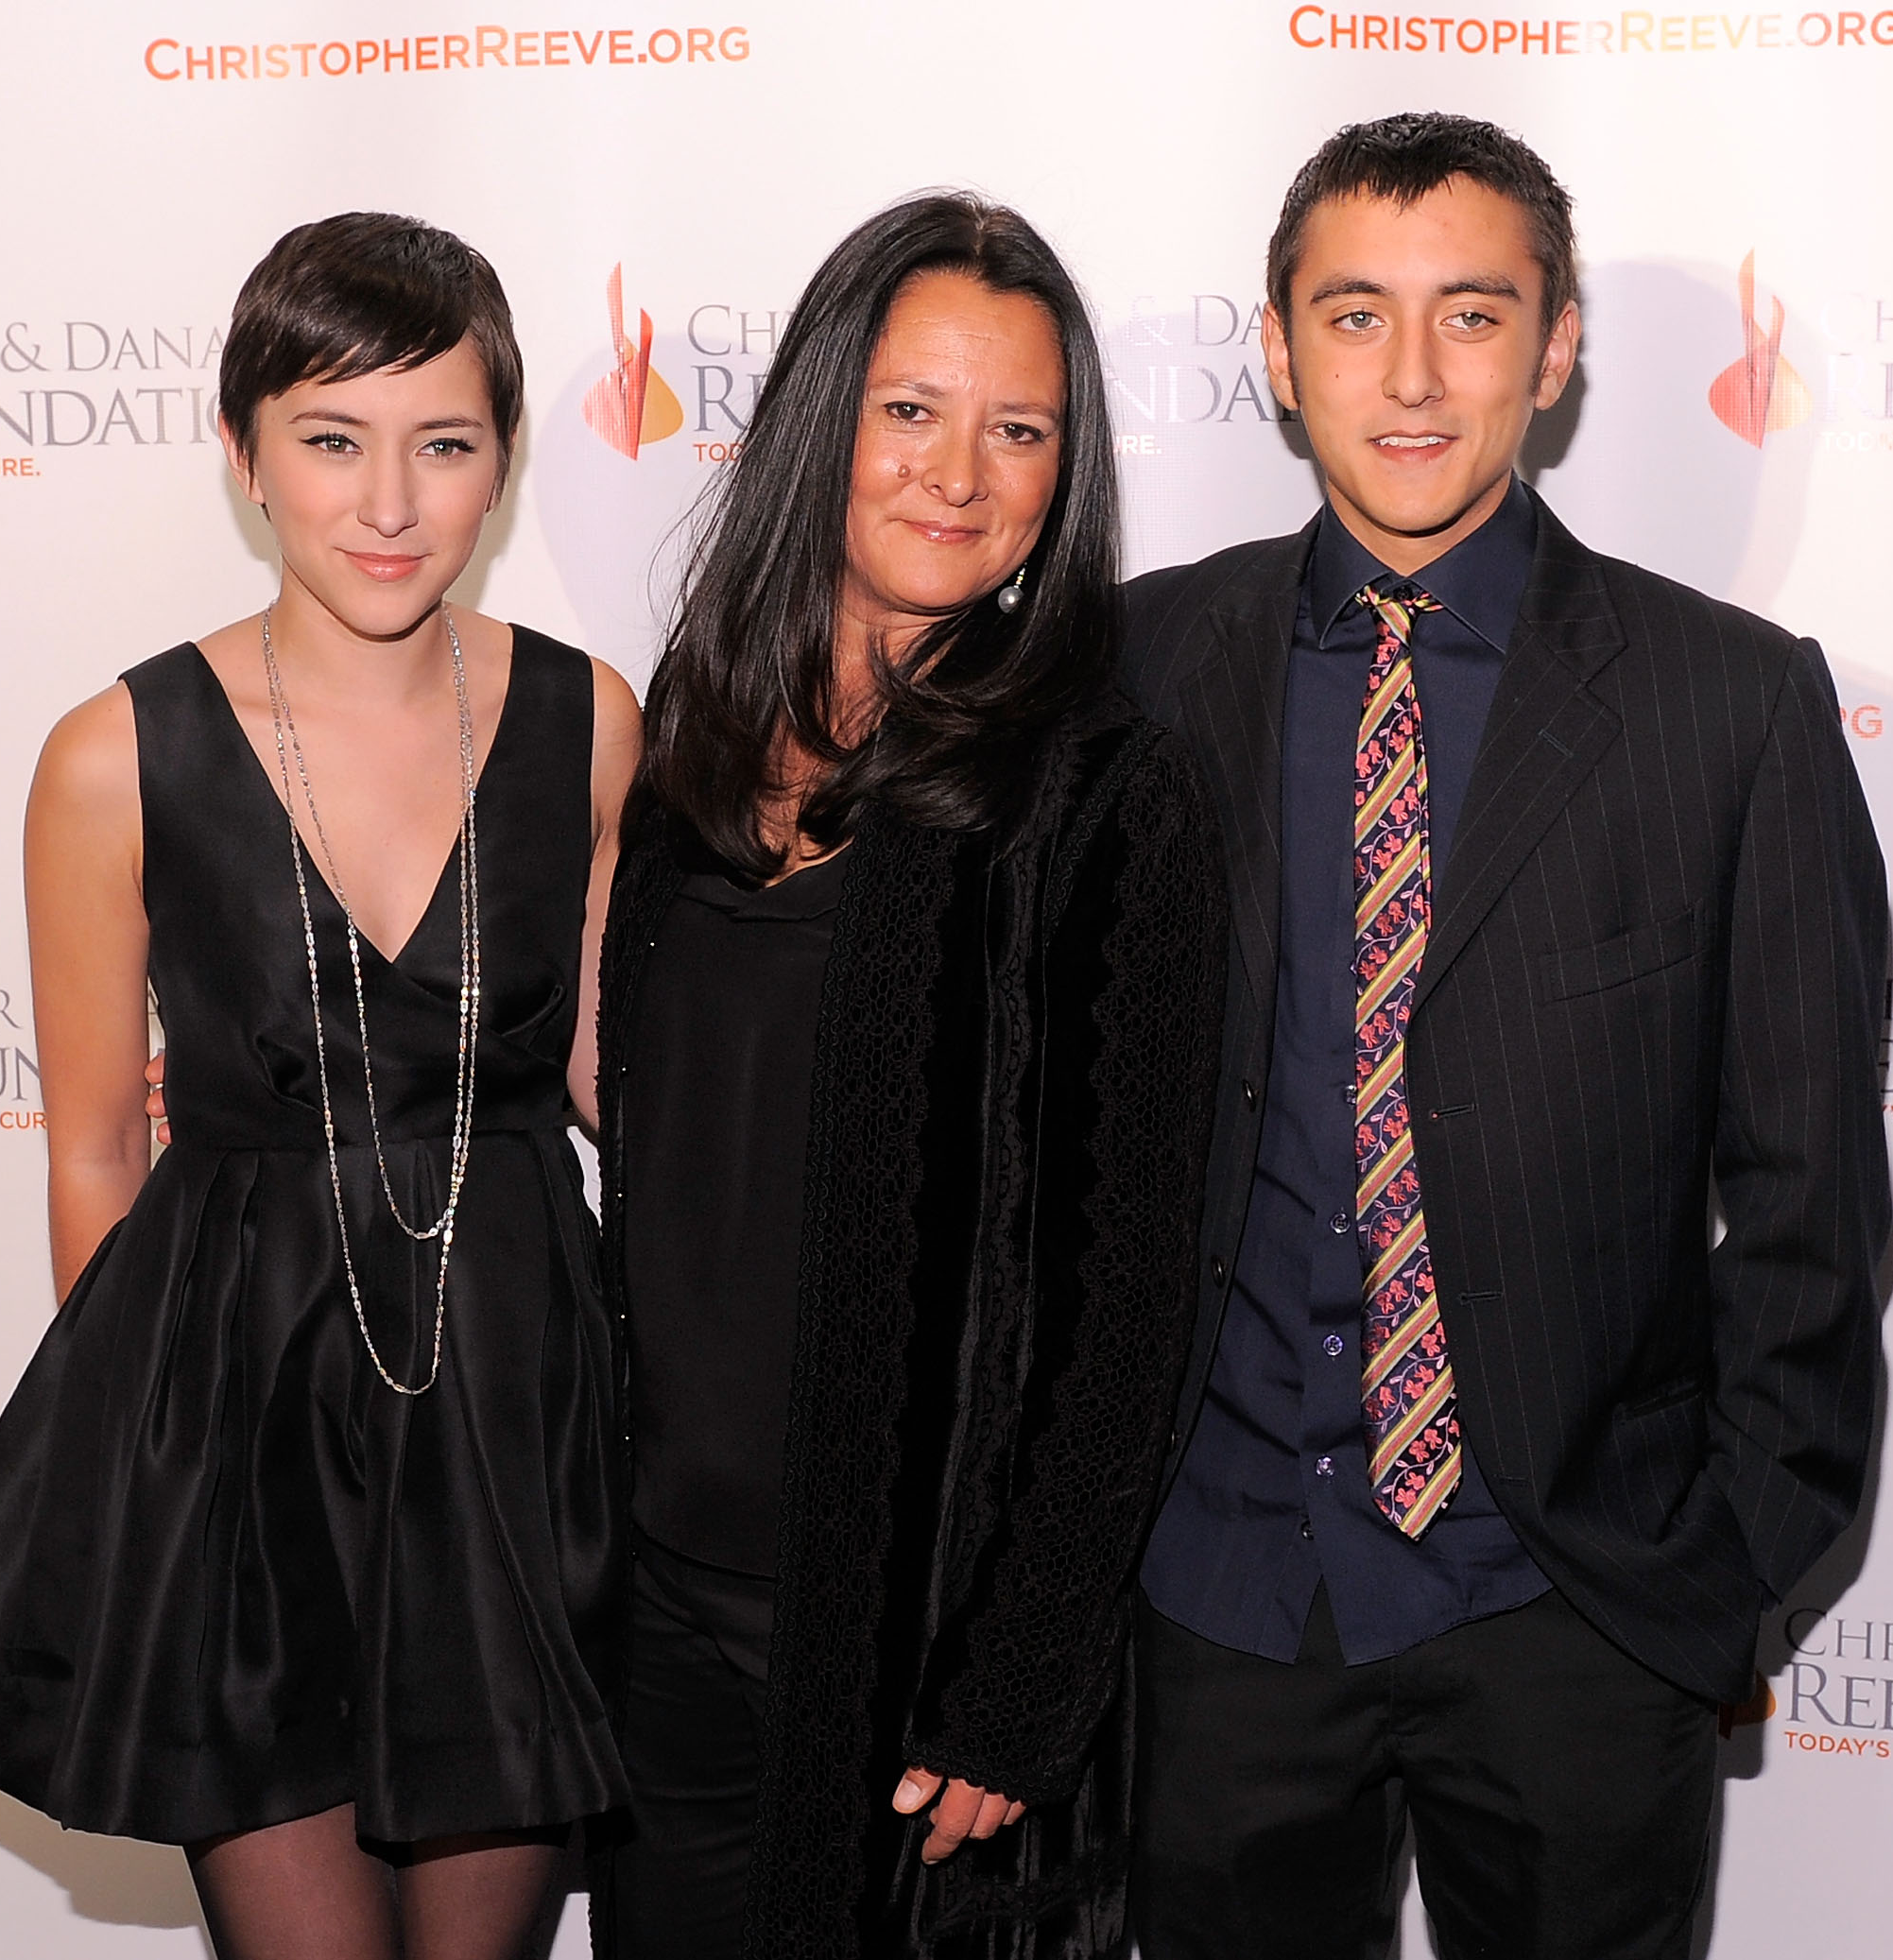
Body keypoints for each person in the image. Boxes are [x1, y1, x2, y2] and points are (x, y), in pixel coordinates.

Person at [1119, 114, 1892, 1959]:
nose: (1408, 376)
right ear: (1277, 346)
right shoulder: (1133, 670)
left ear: (1553, 354)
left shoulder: (1729, 703)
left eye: (1471, 316)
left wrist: (1724, 1584)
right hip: (1214, 1599)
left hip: (1575, 1611)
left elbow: (1808, 1200)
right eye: (1354, 314)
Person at [0, 212, 638, 1960]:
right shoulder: (115, 755)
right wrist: (147, 1484)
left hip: (515, 1433)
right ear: (244, 456)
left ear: (503, 466)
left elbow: (631, 1089)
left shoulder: (593, 722)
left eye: (444, 444)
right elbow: (93, 1143)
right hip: (241, 1438)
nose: (389, 503)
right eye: (333, 439)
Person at [589, 193, 1228, 1960]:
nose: (961, 470)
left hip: (915, 1628)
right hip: (655, 1602)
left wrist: (1022, 1675)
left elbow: (1130, 1301)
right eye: (911, 410)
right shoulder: (689, 737)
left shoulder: (1102, 794)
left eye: (1019, 429)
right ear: (821, 425)